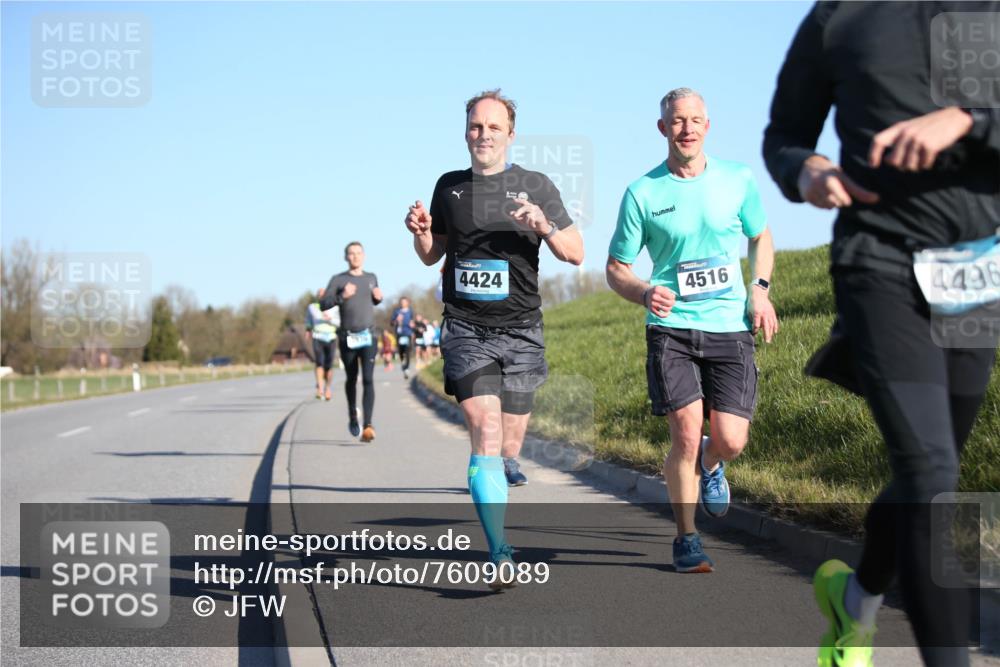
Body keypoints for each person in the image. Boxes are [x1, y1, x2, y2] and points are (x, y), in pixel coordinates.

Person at [762, 4, 999, 666]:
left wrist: (967, 118)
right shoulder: (839, 17)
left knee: (928, 469)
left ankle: (856, 599)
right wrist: (805, 170)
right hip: (879, 260)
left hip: (978, 269)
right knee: (932, 471)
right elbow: (783, 134)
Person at [404, 89, 584, 588]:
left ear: (511, 134)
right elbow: (430, 253)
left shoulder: (535, 184)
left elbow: (576, 254)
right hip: (466, 329)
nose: (483, 135)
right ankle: (499, 551)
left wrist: (544, 225)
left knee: (509, 441)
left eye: (493, 128)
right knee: (483, 431)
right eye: (475, 127)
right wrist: (420, 233)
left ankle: (506, 464)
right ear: (466, 131)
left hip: (522, 330)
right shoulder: (449, 187)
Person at [606, 88, 778, 573]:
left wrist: (759, 288)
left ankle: (712, 461)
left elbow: (760, 235)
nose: (687, 128)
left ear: (708, 126)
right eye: (677, 121)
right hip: (672, 329)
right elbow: (616, 267)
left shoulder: (738, 180)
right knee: (684, 433)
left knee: (732, 439)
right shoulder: (643, 192)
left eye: (696, 120)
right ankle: (687, 538)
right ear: (663, 128)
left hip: (729, 326)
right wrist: (643, 292)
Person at [321, 242, 383, 442]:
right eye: (351, 254)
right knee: (351, 379)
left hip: (369, 336)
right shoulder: (339, 279)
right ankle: (352, 415)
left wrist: (378, 298)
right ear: (346, 257)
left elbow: (373, 300)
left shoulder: (371, 277)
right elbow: (323, 304)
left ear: (364, 256)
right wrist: (341, 296)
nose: (355, 257)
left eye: (358, 253)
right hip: (347, 336)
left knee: (368, 379)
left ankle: (368, 425)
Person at [305, 287, 339, 400]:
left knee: (328, 366)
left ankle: (328, 388)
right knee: (319, 363)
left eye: (324, 294)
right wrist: (308, 330)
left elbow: (340, 323)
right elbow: (309, 320)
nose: (322, 296)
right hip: (318, 336)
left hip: (331, 337)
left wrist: (330, 319)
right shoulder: (312, 307)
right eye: (320, 294)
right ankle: (320, 388)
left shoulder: (335, 307)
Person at [392, 297, 414, 379]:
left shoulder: (410, 311)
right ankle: (402, 362)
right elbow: (392, 323)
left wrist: (412, 325)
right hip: (400, 334)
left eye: (404, 302)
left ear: (407, 303)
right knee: (401, 351)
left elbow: (412, 321)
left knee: (407, 351)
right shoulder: (397, 311)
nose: (403, 303)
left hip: (408, 333)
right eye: (402, 302)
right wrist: (396, 320)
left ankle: (407, 368)